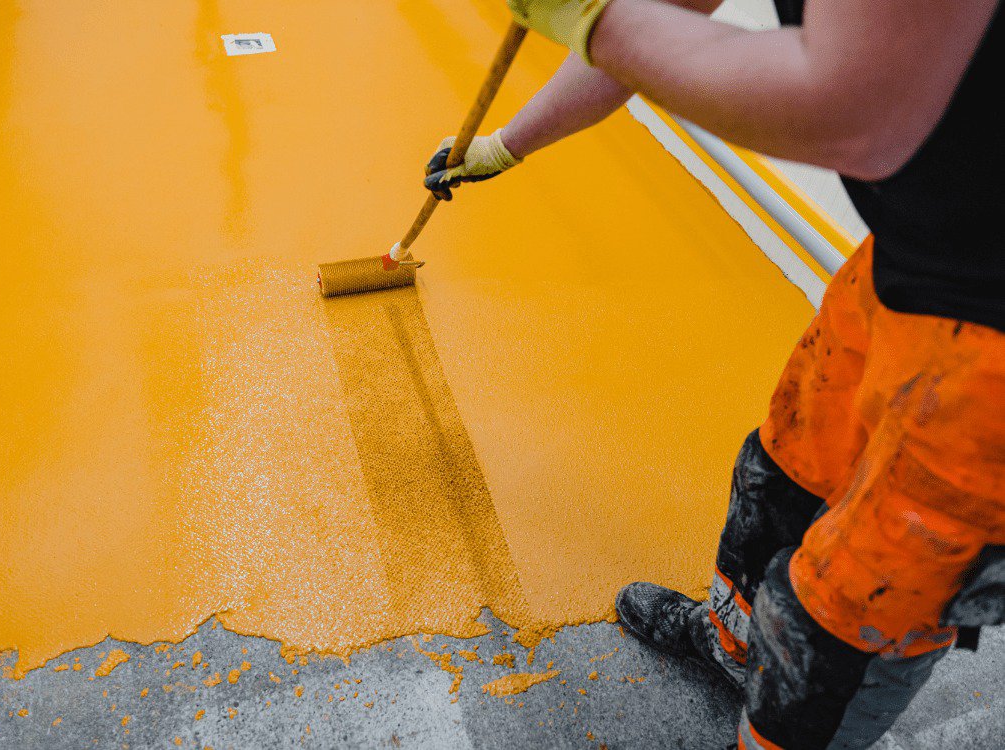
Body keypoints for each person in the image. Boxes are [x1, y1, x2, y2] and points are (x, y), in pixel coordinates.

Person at [423, 1, 1005, 747]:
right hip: (914, 252)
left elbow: (853, 115)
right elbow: (659, 13)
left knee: (855, 614)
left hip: (991, 338)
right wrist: (508, 144)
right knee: (783, 472)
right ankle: (733, 643)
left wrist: (598, 20)